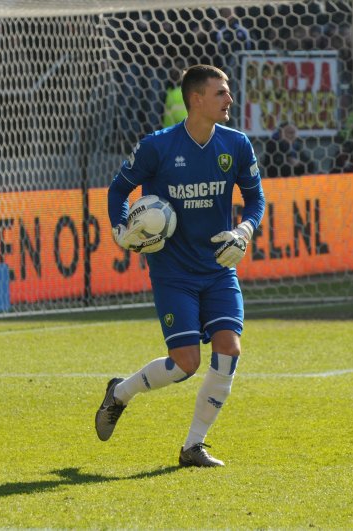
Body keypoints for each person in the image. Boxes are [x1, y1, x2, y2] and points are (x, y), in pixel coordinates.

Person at [97, 65, 265, 468]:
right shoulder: (157, 147)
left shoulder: (237, 145)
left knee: (229, 348)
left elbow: (256, 199)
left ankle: (193, 446)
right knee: (186, 363)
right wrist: (122, 229)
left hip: (218, 267)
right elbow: (120, 188)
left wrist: (243, 230)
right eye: (221, 93)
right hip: (173, 272)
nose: (229, 99)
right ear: (196, 99)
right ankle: (120, 392)